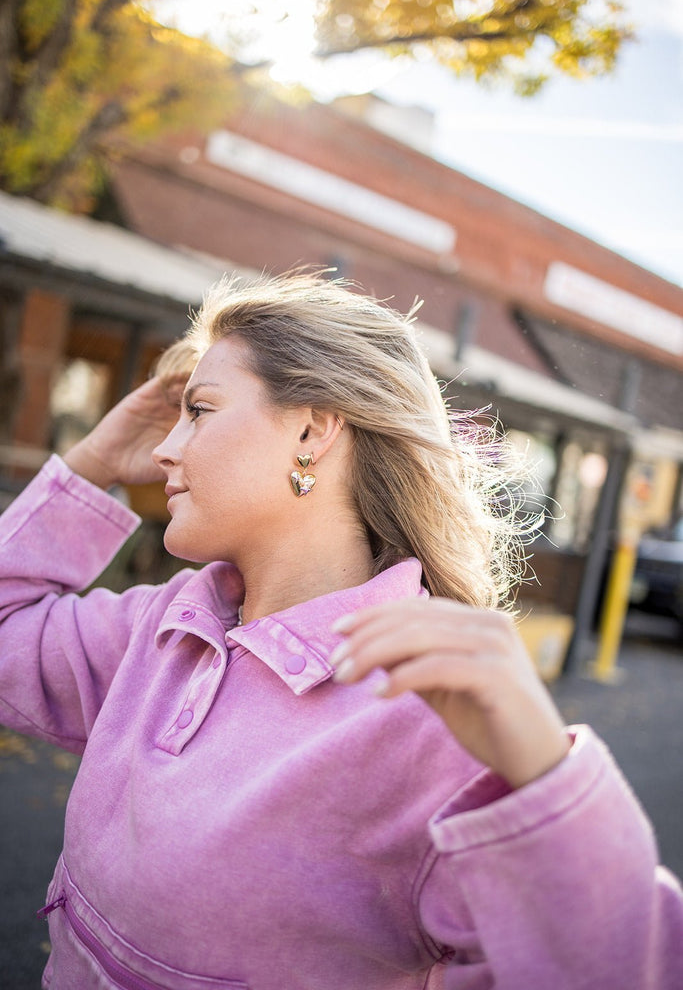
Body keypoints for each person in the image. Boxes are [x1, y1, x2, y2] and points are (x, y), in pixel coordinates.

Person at [0, 272, 681, 990]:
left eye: (199, 410)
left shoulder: (429, 715)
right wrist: (90, 466)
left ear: (312, 430)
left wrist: (547, 779)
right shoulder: (160, 628)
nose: (166, 450)